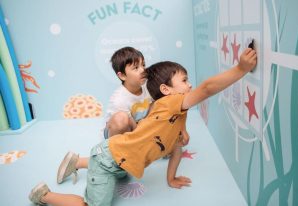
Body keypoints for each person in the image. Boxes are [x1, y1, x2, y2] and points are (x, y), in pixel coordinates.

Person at [29, 48, 257, 206]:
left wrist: (171, 178)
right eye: (185, 81)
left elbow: (176, 147)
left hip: (121, 158)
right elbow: (207, 89)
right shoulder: (169, 103)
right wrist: (240, 69)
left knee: (122, 172)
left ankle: (76, 162)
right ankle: (45, 195)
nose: (190, 85)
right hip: (109, 159)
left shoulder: (178, 114)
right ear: (167, 91)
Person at [56, 46, 190, 185]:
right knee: (122, 119)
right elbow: (134, 128)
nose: (143, 70)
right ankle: (98, 161)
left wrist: (175, 133)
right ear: (122, 75)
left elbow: (162, 109)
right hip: (116, 134)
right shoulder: (119, 98)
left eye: (143, 65)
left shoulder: (148, 87)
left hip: (138, 129)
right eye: (136, 68)